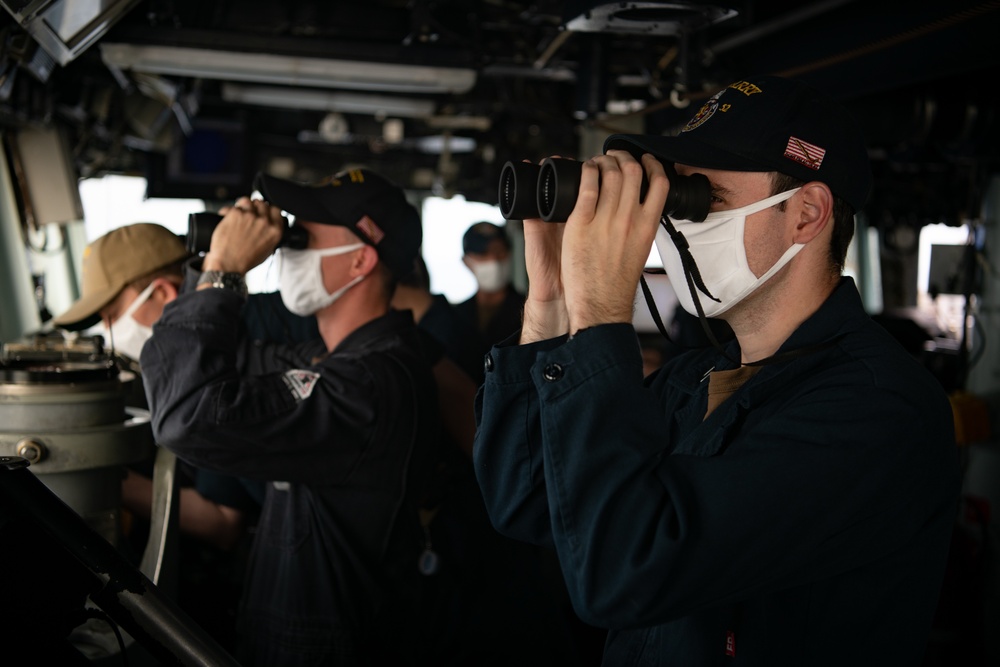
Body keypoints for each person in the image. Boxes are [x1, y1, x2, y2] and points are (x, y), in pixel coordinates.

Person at [473, 74, 961, 665]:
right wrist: (549, 303)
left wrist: (603, 316)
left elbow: (625, 576)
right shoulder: (693, 379)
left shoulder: (879, 411)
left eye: (703, 199)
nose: (677, 225)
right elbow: (525, 500)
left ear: (806, 213)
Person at [140, 168, 441, 666]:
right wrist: (213, 257)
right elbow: (220, 368)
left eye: (303, 236)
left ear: (361, 260)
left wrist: (226, 272)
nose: (286, 248)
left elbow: (189, 414)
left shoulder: (367, 387)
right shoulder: (343, 362)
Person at [52, 222, 263, 648]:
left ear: (164, 294)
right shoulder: (184, 359)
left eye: (113, 315)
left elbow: (222, 522)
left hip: (218, 601)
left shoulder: (227, 363)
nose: (110, 332)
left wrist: (94, 474)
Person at [455, 221, 525, 383]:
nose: (493, 259)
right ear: (467, 262)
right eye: (483, 253)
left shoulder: (530, 310)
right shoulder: (456, 316)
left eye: (499, 251)